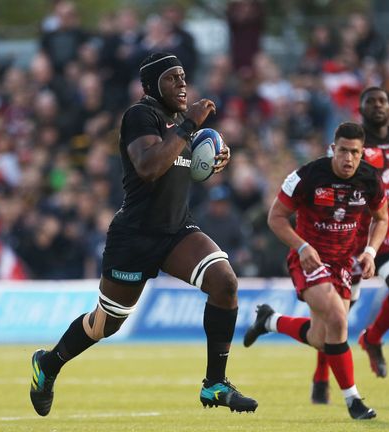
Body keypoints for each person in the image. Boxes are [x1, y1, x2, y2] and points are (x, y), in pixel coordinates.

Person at [29, 52, 257, 416]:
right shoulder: (141, 115)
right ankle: (49, 363)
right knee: (104, 324)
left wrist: (215, 157)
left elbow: (186, 164)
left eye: (184, 77)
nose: (182, 84)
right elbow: (149, 167)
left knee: (225, 281)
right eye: (172, 78)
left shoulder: (184, 121)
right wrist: (188, 128)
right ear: (152, 86)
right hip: (135, 236)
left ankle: (214, 383)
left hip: (176, 229)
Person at [243, 122, 388, 420]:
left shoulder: (370, 180)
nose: (349, 159)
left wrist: (371, 251)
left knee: (325, 339)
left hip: (343, 264)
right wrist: (301, 246)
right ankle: (354, 402)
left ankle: (270, 321)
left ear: (363, 154)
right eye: (343, 151)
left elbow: (381, 218)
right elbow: (276, 218)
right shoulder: (306, 176)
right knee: (338, 319)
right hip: (309, 260)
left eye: (355, 153)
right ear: (333, 149)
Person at [310, 87, 389, 404]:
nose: (378, 106)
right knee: (337, 313)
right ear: (360, 108)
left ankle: (372, 338)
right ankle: (320, 375)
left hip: (386, 228)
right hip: (353, 232)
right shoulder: (353, 144)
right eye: (371, 102)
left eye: (382, 101)